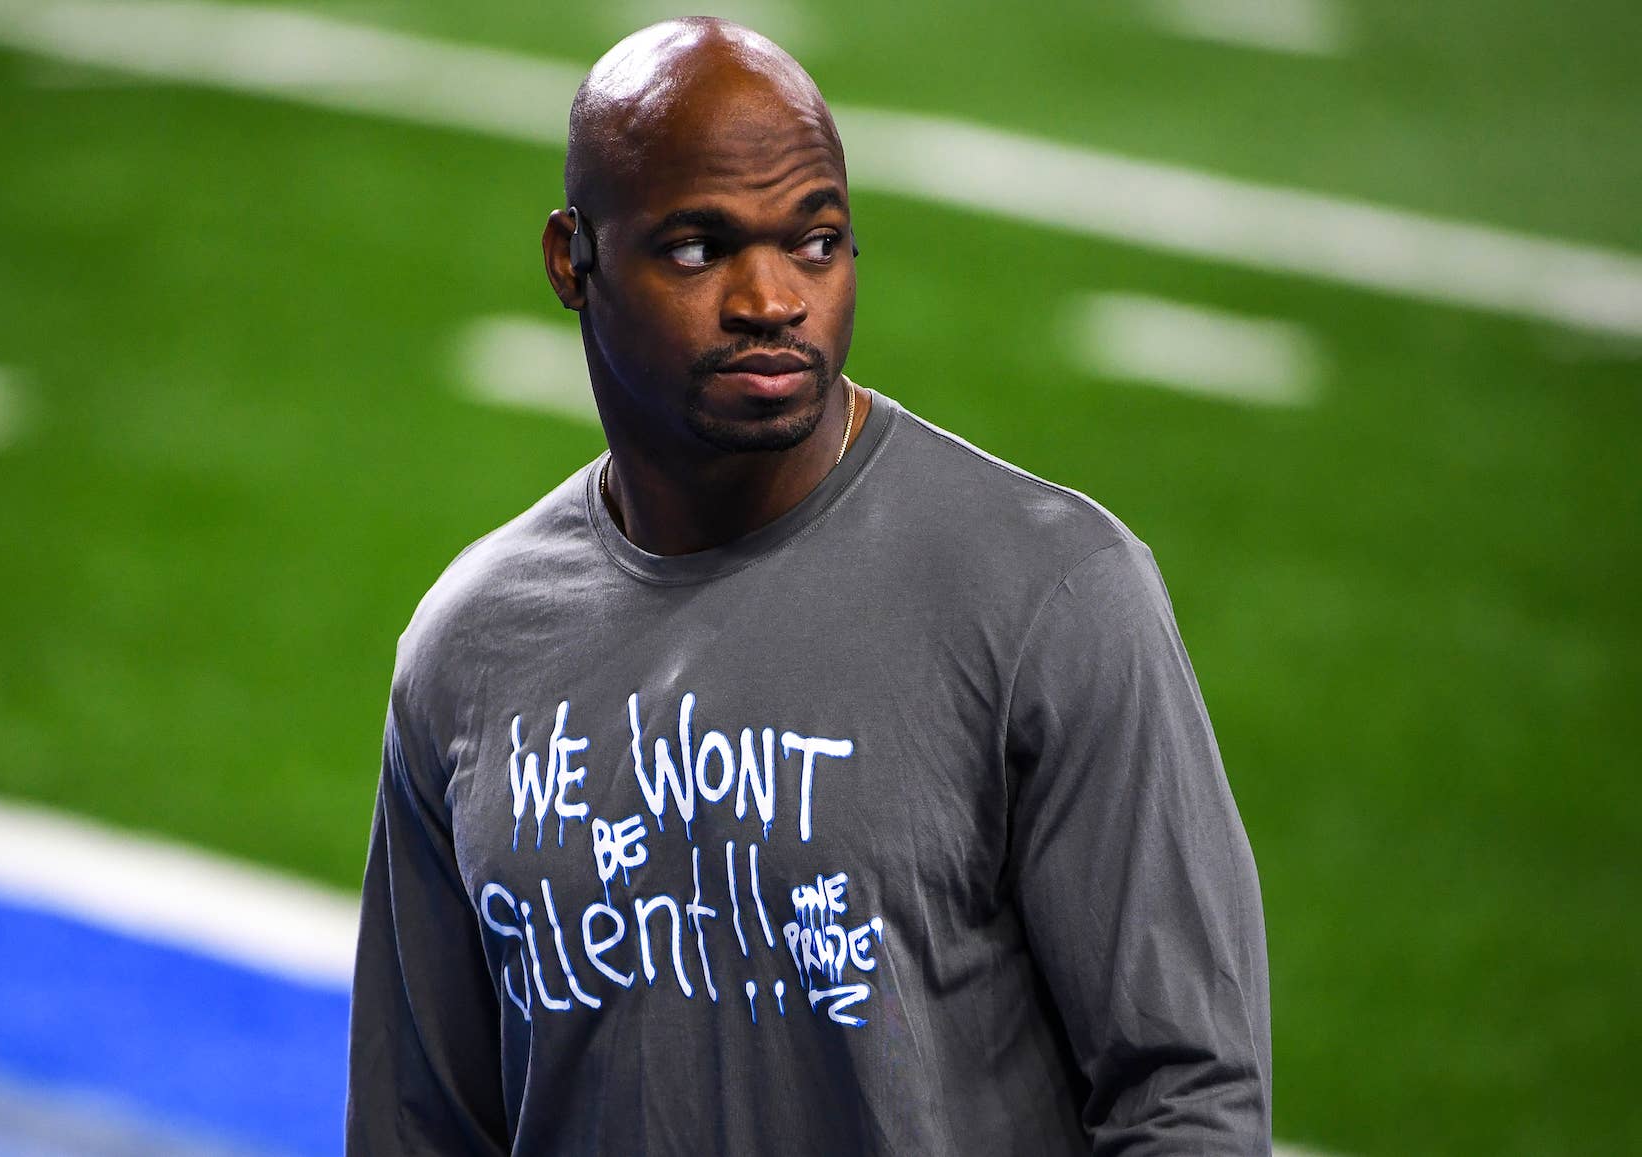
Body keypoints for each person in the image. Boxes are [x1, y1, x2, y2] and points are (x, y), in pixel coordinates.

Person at [348, 17, 1270, 1156]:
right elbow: (420, 1128)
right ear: (569, 259)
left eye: (816, 242)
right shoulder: (469, 648)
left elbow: (1186, 1101)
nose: (771, 298)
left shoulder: (1052, 597)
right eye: (699, 248)